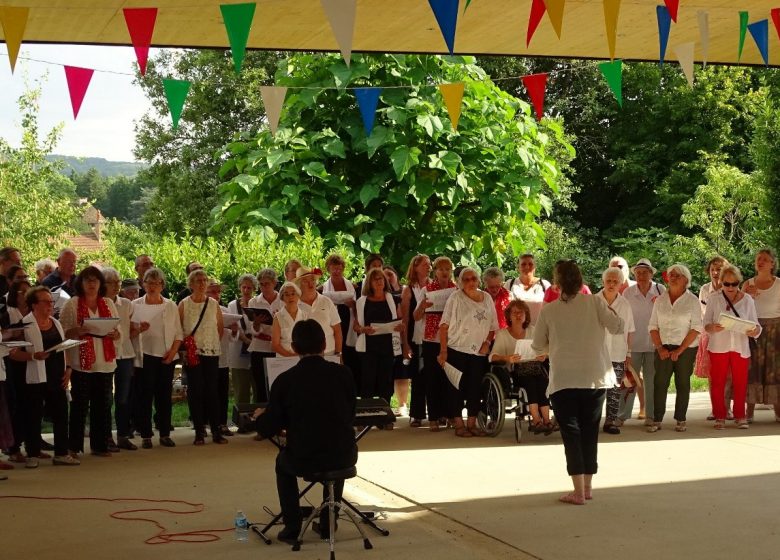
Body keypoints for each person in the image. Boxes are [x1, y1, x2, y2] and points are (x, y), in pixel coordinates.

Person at [253, 319, 357, 543]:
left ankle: (292, 527)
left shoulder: (285, 380)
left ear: (294, 348)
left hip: (305, 458)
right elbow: (350, 414)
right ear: (323, 345)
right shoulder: (345, 373)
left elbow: (269, 427)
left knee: (283, 463)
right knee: (335, 447)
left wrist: (259, 418)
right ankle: (330, 521)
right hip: (345, 455)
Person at [531, 260, 623, 505]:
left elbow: (538, 344)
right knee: (590, 431)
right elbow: (617, 326)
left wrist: (554, 346)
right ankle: (589, 487)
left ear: (558, 283)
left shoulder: (549, 310)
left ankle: (578, 491)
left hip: (564, 379)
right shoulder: (595, 302)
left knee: (571, 433)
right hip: (595, 376)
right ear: (580, 280)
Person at [13, 286, 78, 466]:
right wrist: (33, 356)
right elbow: (13, 353)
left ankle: (61, 453)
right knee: (33, 415)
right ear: (34, 305)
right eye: (45, 302)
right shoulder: (24, 325)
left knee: (61, 414)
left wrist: (69, 369)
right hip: (33, 377)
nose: (50, 305)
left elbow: (63, 347)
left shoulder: (56, 323)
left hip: (56, 375)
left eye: (51, 302)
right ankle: (32, 454)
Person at [60, 266, 120, 457]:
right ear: (81, 283)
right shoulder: (73, 304)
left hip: (105, 361)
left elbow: (118, 331)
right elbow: (63, 334)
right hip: (81, 363)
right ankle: (74, 446)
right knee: (80, 406)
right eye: (88, 280)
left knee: (102, 406)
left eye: (95, 280)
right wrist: (76, 331)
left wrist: (115, 333)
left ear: (101, 283)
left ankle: (100, 445)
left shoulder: (108, 303)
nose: (92, 284)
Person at [438, 267, 499, 438]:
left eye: (474, 278)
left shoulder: (486, 297)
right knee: (455, 388)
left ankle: (472, 424)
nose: (471, 282)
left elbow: (493, 326)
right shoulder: (455, 297)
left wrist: (487, 342)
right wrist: (443, 351)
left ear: (479, 280)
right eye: (466, 279)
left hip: (478, 352)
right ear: (460, 282)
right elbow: (444, 325)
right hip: (456, 348)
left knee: (475, 388)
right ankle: (459, 424)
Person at [647, 264, 703, 433]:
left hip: (685, 349)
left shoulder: (692, 300)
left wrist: (680, 350)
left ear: (686, 280)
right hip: (663, 347)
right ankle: (657, 419)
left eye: (677, 275)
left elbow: (696, 328)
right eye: (671, 275)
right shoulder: (660, 299)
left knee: (683, 383)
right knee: (660, 383)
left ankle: (680, 419)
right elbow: (652, 326)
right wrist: (659, 347)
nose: (672, 277)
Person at [703, 265, 761, 429]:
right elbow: (705, 324)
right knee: (718, 383)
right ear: (720, 282)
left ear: (738, 282)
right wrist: (712, 328)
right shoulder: (714, 298)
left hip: (741, 346)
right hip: (718, 346)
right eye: (726, 284)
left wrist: (754, 331)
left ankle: (740, 416)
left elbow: (756, 325)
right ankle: (720, 416)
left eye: (734, 284)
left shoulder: (748, 300)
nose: (730, 287)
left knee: (741, 382)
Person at [132, 267, 182, 449]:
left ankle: (165, 433)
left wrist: (172, 352)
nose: (152, 287)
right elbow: (128, 332)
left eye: (156, 283)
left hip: (166, 355)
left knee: (163, 396)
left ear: (162, 285)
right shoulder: (136, 304)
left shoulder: (170, 305)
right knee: (145, 396)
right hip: (144, 356)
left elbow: (178, 332)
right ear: (143, 284)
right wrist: (138, 329)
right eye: (149, 283)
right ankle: (146, 434)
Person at [178, 268, 227, 446]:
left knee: (212, 391)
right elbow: (179, 329)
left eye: (204, 280)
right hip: (193, 353)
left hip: (211, 351)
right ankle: (199, 430)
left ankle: (216, 430)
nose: (202, 283)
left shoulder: (213, 304)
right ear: (190, 284)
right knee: (196, 390)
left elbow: (220, 328)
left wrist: (211, 343)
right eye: (198, 280)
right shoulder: (184, 304)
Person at [489, 300, 552, 433]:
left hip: (535, 367)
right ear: (509, 316)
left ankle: (547, 420)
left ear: (526, 315)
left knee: (542, 381)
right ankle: (536, 420)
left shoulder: (533, 331)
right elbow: (492, 357)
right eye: (514, 312)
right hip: (515, 372)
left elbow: (547, 350)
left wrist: (544, 355)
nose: (518, 315)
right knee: (529, 382)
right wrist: (507, 358)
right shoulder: (502, 334)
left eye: (521, 312)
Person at [619, 258, 665, 425]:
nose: (641, 276)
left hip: (655, 344)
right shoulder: (628, 293)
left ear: (651, 274)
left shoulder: (660, 290)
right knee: (629, 381)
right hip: (634, 344)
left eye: (645, 272)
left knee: (651, 382)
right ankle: (622, 416)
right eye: (638, 273)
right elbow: (622, 318)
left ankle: (651, 416)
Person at [354, 267, 405, 412]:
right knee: (367, 381)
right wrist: (363, 329)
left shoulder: (393, 299)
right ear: (369, 282)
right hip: (368, 347)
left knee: (386, 381)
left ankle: (384, 414)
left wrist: (401, 327)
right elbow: (356, 326)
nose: (379, 282)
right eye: (375, 279)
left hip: (388, 346)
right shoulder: (361, 301)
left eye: (381, 278)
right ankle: (366, 414)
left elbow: (401, 320)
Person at [414, 256, 453, 430]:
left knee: (449, 379)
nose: (444, 272)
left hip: (452, 338)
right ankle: (434, 417)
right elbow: (415, 317)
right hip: (431, 339)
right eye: (441, 269)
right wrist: (423, 305)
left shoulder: (457, 290)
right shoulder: (426, 290)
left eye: (447, 269)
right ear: (435, 271)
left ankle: (450, 414)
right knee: (432, 378)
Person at [743, 248, 780, 422]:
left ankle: (778, 410)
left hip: (776, 332)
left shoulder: (779, 284)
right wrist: (746, 296)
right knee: (753, 370)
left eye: (765, 259)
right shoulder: (748, 284)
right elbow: (738, 310)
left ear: (772, 264)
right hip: (753, 331)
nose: (761, 261)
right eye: (758, 259)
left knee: (774, 371)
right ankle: (749, 411)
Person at [597, 267, 635, 435]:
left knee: (614, 389)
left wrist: (629, 353)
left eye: (615, 282)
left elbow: (629, 330)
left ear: (621, 284)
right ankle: (592, 420)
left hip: (618, 352)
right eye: (608, 281)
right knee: (595, 389)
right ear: (603, 282)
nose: (611, 284)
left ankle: (610, 421)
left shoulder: (625, 304)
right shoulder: (593, 301)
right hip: (596, 352)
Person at [102, 267, 136, 453]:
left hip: (126, 354)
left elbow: (129, 328)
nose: (116, 286)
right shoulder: (99, 303)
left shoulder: (127, 304)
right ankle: (106, 436)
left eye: (118, 282)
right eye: (112, 282)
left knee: (123, 398)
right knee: (106, 397)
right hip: (106, 354)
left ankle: (123, 435)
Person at [697, 256, 731, 420]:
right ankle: (716, 408)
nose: (716, 272)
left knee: (728, 374)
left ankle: (728, 409)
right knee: (713, 375)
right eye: (713, 269)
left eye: (719, 269)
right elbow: (702, 315)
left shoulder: (731, 288)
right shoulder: (704, 289)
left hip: (729, 335)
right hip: (710, 335)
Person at [400, 254, 432, 426]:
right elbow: (405, 320)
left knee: (434, 374)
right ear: (416, 267)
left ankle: (437, 411)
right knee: (418, 376)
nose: (429, 267)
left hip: (434, 337)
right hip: (416, 337)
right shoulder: (408, 289)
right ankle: (417, 413)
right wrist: (405, 344)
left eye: (430, 264)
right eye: (425, 264)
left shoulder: (434, 286)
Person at [321, 254, 360, 389]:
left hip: (348, 321)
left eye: (339, 269)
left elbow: (358, 306)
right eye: (334, 269)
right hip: (332, 324)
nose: (337, 272)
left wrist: (353, 305)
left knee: (348, 354)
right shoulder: (322, 288)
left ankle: (350, 387)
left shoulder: (352, 286)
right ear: (328, 269)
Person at [247, 268, 282, 401]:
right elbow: (252, 330)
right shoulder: (254, 302)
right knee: (260, 385)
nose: (263, 287)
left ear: (274, 283)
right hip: (259, 347)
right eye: (261, 284)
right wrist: (256, 323)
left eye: (266, 284)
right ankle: (261, 417)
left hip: (277, 347)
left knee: (277, 384)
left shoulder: (283, 300)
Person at [207, 279, 233, 437]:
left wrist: (233, 329)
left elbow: (232, 338)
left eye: (218, 292)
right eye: (212, 292)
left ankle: (222, 423)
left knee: (223, 392)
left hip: (222, 356)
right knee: (209, 392)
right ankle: (207, 423)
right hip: (207, 355)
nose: (216, 295)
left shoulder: (225, 310)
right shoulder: (201, 308)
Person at [296, 266, 342, 356]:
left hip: (329, 352)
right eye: (305, 281)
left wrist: (339, 353)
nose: (310, 284)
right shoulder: (294, 304)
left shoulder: (327, 301)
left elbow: (337, 330)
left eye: (312, 280)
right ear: (299, 284)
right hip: (304, 355)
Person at [383, 265, 409, 415]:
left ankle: (403, 404)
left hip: (402, 336)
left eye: (390, 274)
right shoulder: (379, 293)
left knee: (402, 372)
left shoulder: (405, 290)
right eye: (384, 276)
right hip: (385, 338)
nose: (387, 278)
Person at [227, 274, 256, 405]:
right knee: (241, 390)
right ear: (239, 288)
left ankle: (257, 420)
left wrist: (252, 342)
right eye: (244, 287)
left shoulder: (257, 303)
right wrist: (245, 339)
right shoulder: (232, 305)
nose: (246, 290)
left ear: (254, 289)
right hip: (238, 351)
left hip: (256, 350)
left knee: (258, 389)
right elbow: (232, 325)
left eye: (249, 288)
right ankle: (242, 422)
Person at [505, 254, 551, 334]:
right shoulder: (510, 284)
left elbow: (551, 310)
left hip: (540, 332)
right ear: (518, 267)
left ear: (535, 267)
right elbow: (504, 309)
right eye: (523, 264)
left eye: (530, 264)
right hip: (515, 333)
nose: (527, 267)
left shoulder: (545, 285)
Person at [272, 282, 307, 357]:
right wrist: (291, 356)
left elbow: (308, 339)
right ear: (282, 297)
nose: (290, 297)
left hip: (302, 357)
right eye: (287, 294)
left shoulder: (305, 315)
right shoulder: (278, 317)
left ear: (298, 296)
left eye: (293, 294)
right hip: (283, 358)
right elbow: (275, 345)